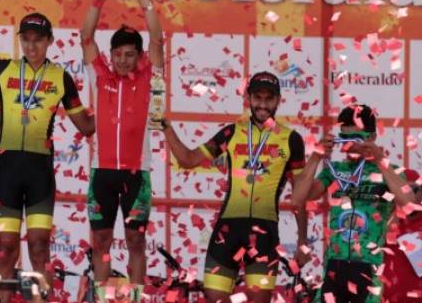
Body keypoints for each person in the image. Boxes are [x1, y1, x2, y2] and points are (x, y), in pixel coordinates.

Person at [0, 7, 95, 299]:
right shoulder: (2, 69)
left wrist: (116, 106)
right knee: (6, 251)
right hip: (8, 172)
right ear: (20, 41)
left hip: (40, 175)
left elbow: (86, 126)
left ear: (50, 40)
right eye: (26, 39)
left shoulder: (61, 78)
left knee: (39, 248)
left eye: (38, 39)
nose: (32, 46)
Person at [161, 71, 308, 303]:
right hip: (227, 230)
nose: (262, 104)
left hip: (264, 233)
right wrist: (166, 127)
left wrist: (302, 244)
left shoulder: (291, 140)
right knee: (215, 299)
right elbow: (187, 159)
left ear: (278, 100)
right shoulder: (231, 133)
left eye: (269, 99)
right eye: (257, 97)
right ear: (248, 99)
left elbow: (300, 196)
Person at [79, 0, 164, 301]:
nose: (124, 60)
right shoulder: (100, 76)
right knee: (100, 241)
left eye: (131, 54)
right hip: (103, 174)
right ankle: (102, 297)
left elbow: (157, 40)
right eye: (119, 54)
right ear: (111, 54)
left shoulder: (147, 77)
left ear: (139, 57)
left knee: (135, 242)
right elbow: (86, 36)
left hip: (136, 176)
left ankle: (135, 297)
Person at [291, 104, 415, 303]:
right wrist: (315, 157)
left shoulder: (390, 171)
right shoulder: (335, 170)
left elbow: (408, 203)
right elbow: (297, 198)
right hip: (334, 267)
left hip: (370, 268)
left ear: (372, 137)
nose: (349, 146)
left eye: (355, 139)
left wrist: (380, 158)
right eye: (344, 139)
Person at [382, 169, 422, 302]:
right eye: (398, 191)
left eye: (413, 189)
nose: (404, 195)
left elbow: (419, 263)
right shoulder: (382, 221)